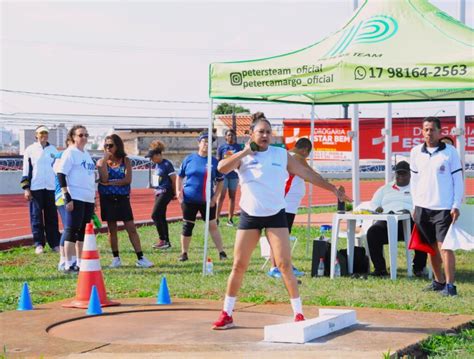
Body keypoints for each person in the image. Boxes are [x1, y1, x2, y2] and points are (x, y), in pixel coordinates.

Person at [212, 112, 348, 330]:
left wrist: (333, 190)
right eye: (261, 132)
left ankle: (299, 313)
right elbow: (221, 168)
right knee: (239, 265)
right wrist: (246, 151)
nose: (265, 135)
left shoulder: (281, 154)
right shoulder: (242, 156)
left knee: (284, 264)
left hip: (275, 214)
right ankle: (227, 313)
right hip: (250, 215)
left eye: (268, 132)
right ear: (251, 134)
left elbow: (306, 173)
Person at [267, 137, 350, 278]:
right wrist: (333, 189)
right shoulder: (297, 158)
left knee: (282, 235)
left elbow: (308, 176)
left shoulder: (289, 156)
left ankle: (281, 265)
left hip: (286, 203)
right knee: (282, 236)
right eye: (308, 154)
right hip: (285, 203)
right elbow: (312, 175)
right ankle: (277, 267)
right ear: (305, 150)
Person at [410, 117, 464, 297]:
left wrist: (456, 205)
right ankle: (439, 281)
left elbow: (458, 180)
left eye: (432, 129)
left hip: (443, 207)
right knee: (431, 248)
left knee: (445, 247)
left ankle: (450, 286)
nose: (428, 133)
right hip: (422, 208)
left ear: (440, 132)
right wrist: (414, 205)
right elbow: (414, 181)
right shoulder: (416, 151)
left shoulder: (450, 152)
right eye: (425, 129)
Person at [97, 134, 153, 268]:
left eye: (111, 145)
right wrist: (105, 160)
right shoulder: (102, 161)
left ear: (117, 146)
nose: (108, 148)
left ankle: (140, 257)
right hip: (107, 199)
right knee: (112, 230)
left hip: (122, 198)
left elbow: (127, 180)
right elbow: (103, 179)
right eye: (106, 146)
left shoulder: (125, 160)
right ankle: (116, 258)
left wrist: (110, 183)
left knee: (131, 228)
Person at [365, 161, 427, 277]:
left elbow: (422, 205)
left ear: (410, 175)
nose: (400, 177)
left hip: (410, 221)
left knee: (422, 230)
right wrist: (378, 208)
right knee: (372, 232)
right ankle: (380, 269)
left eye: (403, 174)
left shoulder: (417, 188)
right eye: (398, 174)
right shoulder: (385, 188)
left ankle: (419, 267)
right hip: (388, 221)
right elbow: (373, 204)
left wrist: (411, 212)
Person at [176, 131, 227, 262]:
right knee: (187, 225)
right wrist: (178, 191)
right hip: (189, 199)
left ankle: (221, 252)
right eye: (204, 141)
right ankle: (184, 253)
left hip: (207, 201)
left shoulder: (215, 162)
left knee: (212, 226)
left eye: (210, 142)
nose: (207, 144)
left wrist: (215, 197)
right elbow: (180, 176)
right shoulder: (189, 159)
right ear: (199, 143)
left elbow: (221, 180)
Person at [57, 125, 96, 272]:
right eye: (81, 135)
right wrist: (67, 195)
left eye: (86, 135)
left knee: (82, 232)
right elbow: (61, 174)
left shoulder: (86, 153)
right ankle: (68, 263)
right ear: (73, 137)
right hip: (76, 196)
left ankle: (80, 262)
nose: (84, 138)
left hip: (88, 197)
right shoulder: (70, 153)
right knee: (71, 230)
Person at [20, 125, 60, 254]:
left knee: (52, 217)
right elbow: (26, 170)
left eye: (46, 133)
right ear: (36, 135)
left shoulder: (53, 150)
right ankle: (39, 243)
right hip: (36, 188)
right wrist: (26, 188)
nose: (44, 135)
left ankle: (54, 243)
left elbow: (58, 168)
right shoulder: (30, 150)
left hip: (51, 187)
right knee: (36, 217)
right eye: (41, 133)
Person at [147, 140, 177, 250]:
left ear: (159, 154)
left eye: (152, 157)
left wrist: (174, 192)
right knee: (161, 216)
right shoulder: (157, 165)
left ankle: (162, 239)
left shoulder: (166, 164)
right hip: (159, 192)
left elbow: (174, 179)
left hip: (166, 192)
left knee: (155, 215)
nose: (151, 159)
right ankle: (166, 242)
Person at [53, 138, 74, 271]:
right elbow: (60, 174)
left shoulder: (80, 155)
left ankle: (72, 259)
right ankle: (63, 260)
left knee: (73, 229)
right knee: (68, 228)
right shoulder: (61, 156)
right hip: (63, 196)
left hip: (76, 196)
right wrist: (66, 194)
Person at [216, 129, 242, 227]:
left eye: (232, 135)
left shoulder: (238, 147)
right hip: (223, 176)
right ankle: (216, 219)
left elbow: (241, 160)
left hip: (234, 176)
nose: (231, 137)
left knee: (232, 197)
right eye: (229, 135)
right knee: (221, 197)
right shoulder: (221, 147)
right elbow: (218, 161)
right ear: (225, 137)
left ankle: (230, 219)